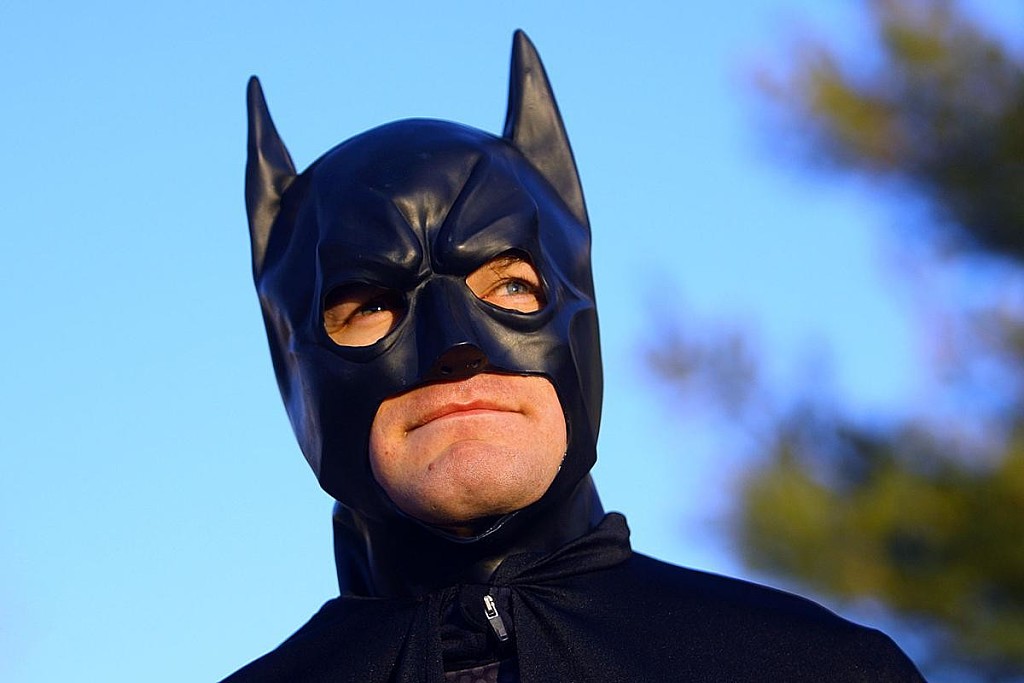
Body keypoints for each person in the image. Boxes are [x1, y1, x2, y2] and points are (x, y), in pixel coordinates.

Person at [224, 30, 926, 682]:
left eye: (511, 285)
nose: (456, 347)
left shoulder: (818, 669)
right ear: (292, 365)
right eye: (373, 305)